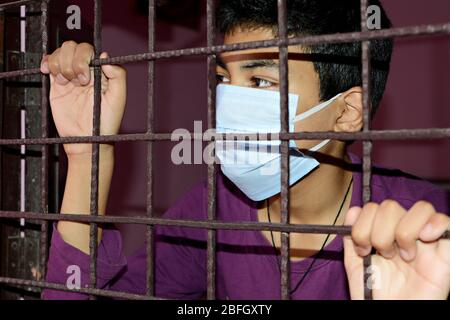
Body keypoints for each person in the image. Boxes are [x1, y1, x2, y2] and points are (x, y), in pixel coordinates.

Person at [41, 0, 450, 300]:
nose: (230, 103)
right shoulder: (211, 208)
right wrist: (87, 157)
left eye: (260, 83)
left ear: (345, 113)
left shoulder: (426, 229)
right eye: (223, 77)